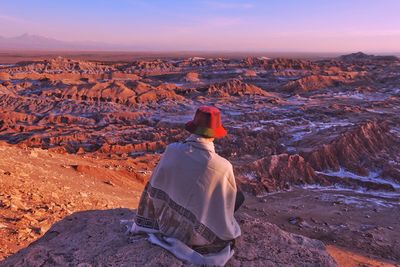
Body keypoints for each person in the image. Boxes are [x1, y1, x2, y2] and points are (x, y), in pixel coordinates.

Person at [128, 106, 244, 266]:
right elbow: (226, 201)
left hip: (163, 222)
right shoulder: (222, 166)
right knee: (238, 196)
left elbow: (156, 183)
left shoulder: (172, 150)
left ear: (194, 128)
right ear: (215, 134)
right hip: (196, 235)